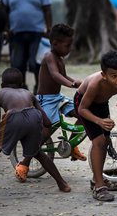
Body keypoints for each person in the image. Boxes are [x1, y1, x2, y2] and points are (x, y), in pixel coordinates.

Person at [0, 68, 71, 198]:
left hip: (13, 117)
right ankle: (63, 184)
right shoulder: (28, 93)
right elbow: (47, 122)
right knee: (37, 153)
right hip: (34, 116)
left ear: (2, 85)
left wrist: (11, 132)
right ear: (22, 84)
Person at [15, 23, 85, 182]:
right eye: (67, 45)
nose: (70, 49)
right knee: (45, 133)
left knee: (82, 112)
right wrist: (72, 85)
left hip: (57, 98)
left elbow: (64, 76)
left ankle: (72, 145)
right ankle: (24, 163)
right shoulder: (49, 57)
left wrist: (78, 83)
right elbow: (55, 75)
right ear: (55, 43)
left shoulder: (60, 58)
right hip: (45, 100)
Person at [75, 51, 117, 201]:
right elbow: (82, 109)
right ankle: (99, 187)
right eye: (114, 76)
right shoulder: (95, 84)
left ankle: (97, 179)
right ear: (104, 75)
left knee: (106, 141)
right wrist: (99, 121)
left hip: (101, 104)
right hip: (84, 104)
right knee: (99, 141)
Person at [3, 0, 52, 94]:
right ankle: (21, 87)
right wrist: (6, 29)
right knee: (18, 63)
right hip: (16, 33)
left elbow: (47, 9)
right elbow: (4, 11)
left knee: (36, 62)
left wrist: (48, 28)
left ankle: (38, 87)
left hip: (36, 33)